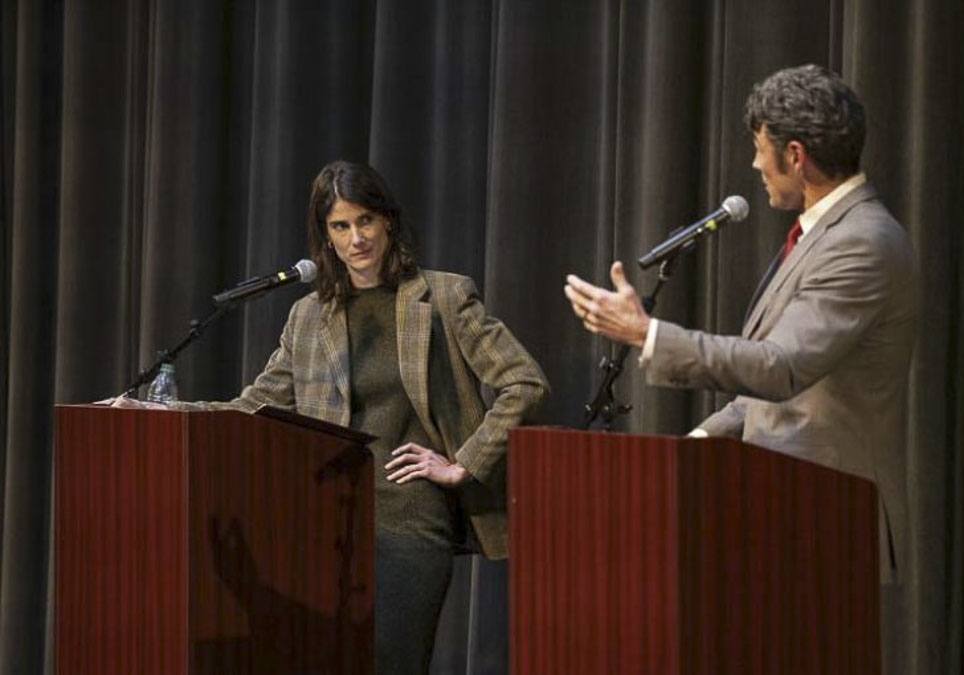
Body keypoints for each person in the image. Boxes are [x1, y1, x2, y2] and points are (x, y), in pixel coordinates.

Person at [564, 65, 916, 669]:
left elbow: (780, 368)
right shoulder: (821, 235)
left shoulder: (862, 241)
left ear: (797, 156)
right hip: (779, 517)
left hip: (821, 527)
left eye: (760, 150)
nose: (754, 166)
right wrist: (703, 439)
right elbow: (780, 389)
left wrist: (647, 334)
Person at [136, 160, 549, 673]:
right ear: (325, 236)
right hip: (321, 526)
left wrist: (462, 463)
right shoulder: (310, 315)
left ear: (388, 222)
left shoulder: (444, 296)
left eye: (366, 221)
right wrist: (154, 411)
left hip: (409, 521)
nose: (357, 238)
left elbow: (524, 383)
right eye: (341, 226)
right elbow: (253, 407)